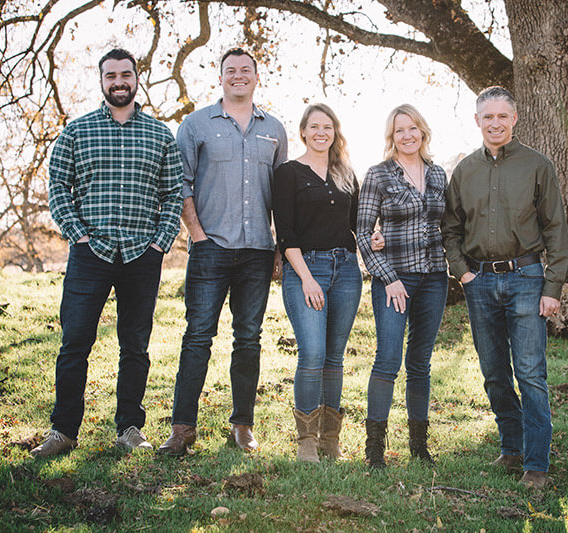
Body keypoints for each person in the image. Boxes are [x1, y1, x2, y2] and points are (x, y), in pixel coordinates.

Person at [32, 48, 183, 458]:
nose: (119, 81)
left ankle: (130, 428)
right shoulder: (76, 132)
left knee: (135, 345)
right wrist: (77, 234)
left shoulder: (160, 135)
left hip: (141, 254)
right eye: (111, 75)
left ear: (137, 79)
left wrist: (160, 242)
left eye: (126, 75)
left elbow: (173, 194)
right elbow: (58, 187)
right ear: (101, 81)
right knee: (75, 341)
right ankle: (63, 431)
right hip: (90, 252)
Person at [158, 48, 288, 456]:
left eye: (245, 70)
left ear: (256, 77)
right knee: (197, 336)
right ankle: (182, 429)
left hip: (257, 253)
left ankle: (242, 426)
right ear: (220, 78)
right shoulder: (196, 125)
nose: (238, 76)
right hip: (210, 248)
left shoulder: (276, 130)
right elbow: (180, 183)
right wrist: (197, 234)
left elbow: (283, 198)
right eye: (230, 70)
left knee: (249, 338)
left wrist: (280, 250)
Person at [441, 86, 568, 488]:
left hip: (527, 279)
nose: (494, 123)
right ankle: (511, 450)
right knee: (494, 372)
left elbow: (556, 229)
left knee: (530, 372)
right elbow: (451, 228)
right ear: (477, 120)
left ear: (514, 119)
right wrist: (462, 272)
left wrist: (552, 286)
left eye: (502, 116)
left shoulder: (538, 165)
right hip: (479, 281)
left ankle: (536, 463)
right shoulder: (465, 171)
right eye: (487, 117)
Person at [356, 104, 449, 468]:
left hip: (435, 278)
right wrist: (389, 277)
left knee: (420, 362)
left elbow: (448, 225)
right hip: (393, 279)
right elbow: (364, 233)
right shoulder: (378, 175)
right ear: (391, 137)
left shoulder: (439, 174)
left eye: (413, 129)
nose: (407, 135)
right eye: (399, 131)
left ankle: (418, 446)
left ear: (422, 132)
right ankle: (375, 449)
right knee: (388, 359)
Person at [272, 104, 362, 463]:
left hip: (346, 271)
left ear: (335, 132)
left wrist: (376, 239)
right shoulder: (288, 173)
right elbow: (286, 232)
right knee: (311, 355)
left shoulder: (347, 175)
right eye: (315, 126)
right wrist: (307, 278)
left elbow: (357, 226)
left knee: (334, 359)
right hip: (305, 269)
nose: (321, 132)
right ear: (304, 132)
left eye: (328, 126)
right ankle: (306, 441)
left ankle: (330, 440)